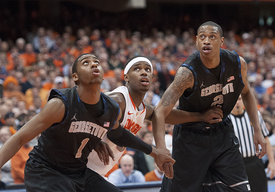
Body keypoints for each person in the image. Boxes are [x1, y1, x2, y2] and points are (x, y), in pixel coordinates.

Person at [0, 53, 174, 192]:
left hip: (78, 172)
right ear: (75, 77)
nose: (94, 64)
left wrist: (154, 151)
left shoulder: (111, 109)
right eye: (86, 62)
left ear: (103, 76)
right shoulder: (60, 104)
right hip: (46, 171)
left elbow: (117, 134)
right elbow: (19, 137)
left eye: (96, 62)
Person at [152, 21, 267, 192]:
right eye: (202, 37)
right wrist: (160, 148)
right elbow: (159, 112)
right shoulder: (187, 73)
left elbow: (247, 93)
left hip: (222, 134)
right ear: (197, 41)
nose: (207, 41)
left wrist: (257, 130)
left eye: (212, 37)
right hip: (191, 139)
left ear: (221, 42)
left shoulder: (237, 63)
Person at [87, 55, 224, 177]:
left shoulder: (142, 108)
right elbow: (85, 112)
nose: (143, 72)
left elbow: (162, 115)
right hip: (81, 166)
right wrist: (93, 137)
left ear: (152, 78)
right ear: (126, 77)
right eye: (137, 69)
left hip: (97, 172)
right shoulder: (118, 99)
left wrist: (200, 116)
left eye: (147, 69)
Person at [228, 95, 275, 192]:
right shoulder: (226, 120)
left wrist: (272, 161)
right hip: (236, 165)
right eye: (235, 100)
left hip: (255, 162)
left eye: (239, 99)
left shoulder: (255, 115)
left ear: (243, 100)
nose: (237, 103)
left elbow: (265, 138)